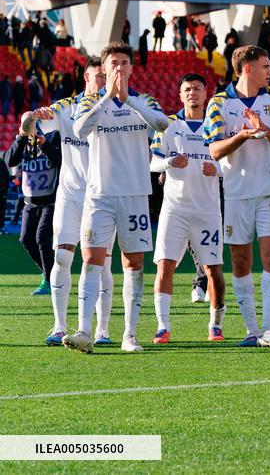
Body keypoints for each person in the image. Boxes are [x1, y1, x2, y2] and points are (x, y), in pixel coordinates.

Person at [62, 41, 171, 354]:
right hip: (100, 195)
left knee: (133, 263)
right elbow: (80, 130)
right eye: (113, 64)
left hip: (135, 194)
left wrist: (128, 101)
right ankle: (84, 330)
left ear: (132, 68)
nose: (119, 68)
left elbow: (161, 124)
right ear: (104, 69)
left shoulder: (144, 100)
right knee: (91, 259)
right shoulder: (91, 102)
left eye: (124, 63)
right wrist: (108, 97)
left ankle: (130, 334)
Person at [205, 45, 270, 348]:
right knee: (241, 261)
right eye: (266, 66)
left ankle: (269, 329)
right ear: (247, 68)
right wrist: (242, 136)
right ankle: (251, 329)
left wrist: (264, 130)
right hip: (236, 194)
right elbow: (214, 150)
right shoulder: (219, 103)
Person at [36, 58, 112, 346]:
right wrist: (33, 116)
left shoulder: (116, 109)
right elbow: (38, 120)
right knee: (63, 256)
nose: (102, 81)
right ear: (86, 77)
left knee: (101, 263)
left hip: (103, 194)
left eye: (106, 76)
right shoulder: (66, 106)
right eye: (98, 76)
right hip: (70, 193)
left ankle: (102, 329)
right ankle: (59, 325)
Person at [149, 74, 225, 344]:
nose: (192, 93)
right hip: (175, 209)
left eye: (197, 89)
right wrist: (170, 162)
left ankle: (215, 324)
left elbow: (233, 163)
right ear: (180, 95)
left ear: (206, 94)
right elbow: (153, 164)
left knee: (213, 269)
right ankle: (162, 326)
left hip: (207, 210)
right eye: (187, 89)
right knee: (165, 265)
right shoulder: (168, 125)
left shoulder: (216, 124)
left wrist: (217, 169)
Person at [5, 110, 61, 296]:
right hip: (30, 202)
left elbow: (61, 160)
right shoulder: (22, 142)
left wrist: (44, 145)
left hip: (49, 200)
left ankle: (50, 280)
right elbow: (10, 160)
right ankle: (50, 274)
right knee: (26, 240)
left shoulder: (52, 137)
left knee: (42, 239)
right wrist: (21, 137)